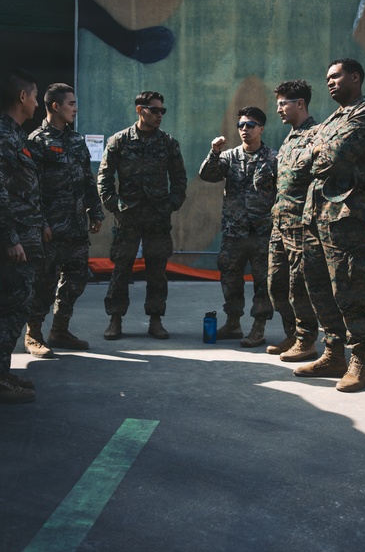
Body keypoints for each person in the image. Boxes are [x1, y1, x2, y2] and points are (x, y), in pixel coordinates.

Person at [293, 59, 365, 392]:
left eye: (336, 76)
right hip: (315, 214)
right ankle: (333, 353)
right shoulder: (333, 119)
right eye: (327, 78)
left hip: (348, 215)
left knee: (351, 287)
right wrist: (318, 151)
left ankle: (360, 359)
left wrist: (318, 150)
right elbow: (302, 163)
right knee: (317, 285)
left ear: (356, 77)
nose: (330, 82)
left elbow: (332, 157)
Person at [98, 91, 187, 340]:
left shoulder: (168, 143)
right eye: (154, 110)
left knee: (157, 270)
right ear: (140, 110)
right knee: (121, 269)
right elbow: (104, 176)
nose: (159, 115)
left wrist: (172, 203)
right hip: (128, 216)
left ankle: (155, 320)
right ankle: (115, 320)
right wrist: (114, 205)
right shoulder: (120, 141)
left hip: (158, 217)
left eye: (162, 111)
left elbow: (179, 178)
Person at [0, 69, 43, 403]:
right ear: (22, 97)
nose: (37, 102)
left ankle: (0, 371)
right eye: (34, 96)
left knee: (16, 306)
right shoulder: (2, 136)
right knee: (8, 307)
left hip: (24, 235)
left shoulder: (15, 135)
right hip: (14, 240)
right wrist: (10, 238)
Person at [24, 84, 103, 356]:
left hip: (76, 227)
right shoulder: (36, 141)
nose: (75, 108)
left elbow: (86, 179)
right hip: (51, 229)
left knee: (76, 280)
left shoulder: (77, 141)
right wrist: (41, 222)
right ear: (55, 106)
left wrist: (96, 210)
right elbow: (30, 188)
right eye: (71, 103)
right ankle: (33, 333)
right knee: (44, 283)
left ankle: (60, 329)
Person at [198, 106, 277, 348]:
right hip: (234, 232)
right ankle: (233, 323)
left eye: (250, 125)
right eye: (241, 125)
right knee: (230, 279)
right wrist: (214, 152)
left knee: (264, 282)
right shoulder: (229, 157)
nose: (244, 129)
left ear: (261, 128)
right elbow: (207, 175)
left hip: (262, 232)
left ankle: (258, 327)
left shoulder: (273, 158)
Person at [266, 80, 321, 362]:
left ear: (300, 103)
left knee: (299, 286)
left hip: (302, 226)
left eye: (283, 103)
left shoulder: (317, 135)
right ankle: (292, 333)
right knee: (276, 285)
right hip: (280, 223)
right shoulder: (289, 139)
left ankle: (306, 339)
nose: (278, 110)